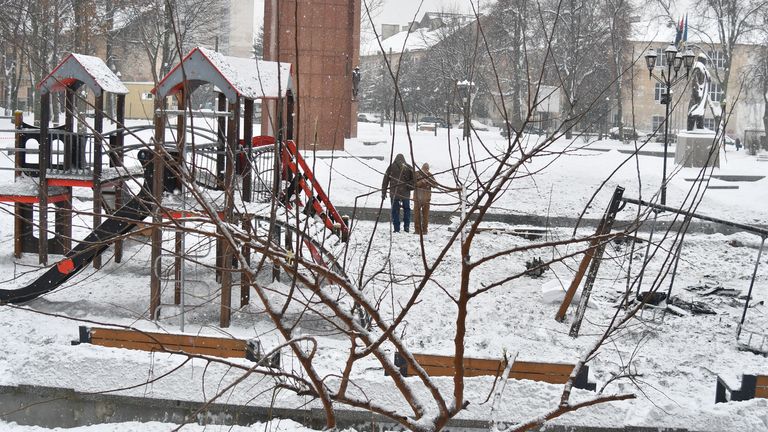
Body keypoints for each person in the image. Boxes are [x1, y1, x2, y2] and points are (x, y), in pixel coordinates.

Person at [381, 154, 414, 232]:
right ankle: (406, 227)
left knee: (395, 211)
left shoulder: (391, 167)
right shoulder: (408, 167)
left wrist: (383, 192)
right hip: (405, 193)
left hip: (394, 193)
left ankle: (396, 228)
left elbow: (385, 180)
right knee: (407, 210)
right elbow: (414, 179)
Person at [413, 163, 436, 234]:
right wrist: (421, 182)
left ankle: (425, 230)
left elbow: (435, 184)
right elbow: (413, 184)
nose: (426, 171)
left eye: (427, 170)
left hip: (426, 199)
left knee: (425, 215)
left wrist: (429, 182)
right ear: (422, 168)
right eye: (425, 169)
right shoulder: (417, 174)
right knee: (417, 215)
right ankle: (417, 230)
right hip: (417, 198)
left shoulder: (430, 175)